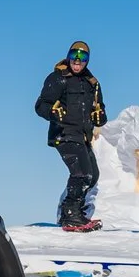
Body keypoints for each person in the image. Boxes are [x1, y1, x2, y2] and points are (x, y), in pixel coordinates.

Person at [35, 41, 104, 230]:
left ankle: (75, 211)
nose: (78, 61)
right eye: (74, 56)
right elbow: (41, 105)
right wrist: (53, 113)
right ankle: (70, 215)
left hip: (82, 136)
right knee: (82, 173)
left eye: (83, 58)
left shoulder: (92, 84)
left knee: (93, 175)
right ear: (68, 56)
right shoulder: (58, 78)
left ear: (88, 61)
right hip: (64, 133)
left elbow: (100, 110)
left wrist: (100, 118)